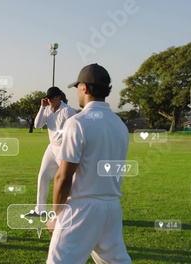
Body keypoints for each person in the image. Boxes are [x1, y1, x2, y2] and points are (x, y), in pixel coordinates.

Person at [46, 64, 132, 263]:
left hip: (81, 209)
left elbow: (63, 176)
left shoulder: (77, 122)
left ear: (84, 87)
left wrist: (57, 214)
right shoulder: (119, 124)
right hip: (111, 208)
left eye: (77, 87)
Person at [27, 87, 76, 217]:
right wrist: (42, 108)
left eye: (51, 98)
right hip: (51, 148)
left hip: (64, 149)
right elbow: (37, 125)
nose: (49, 100)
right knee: (42, 176)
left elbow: (76, 129)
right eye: (47, 98)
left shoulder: (67, 111)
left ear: (59, 97)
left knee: (68, 180)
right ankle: (40, 210)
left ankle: (72, 211)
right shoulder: (47, 109)